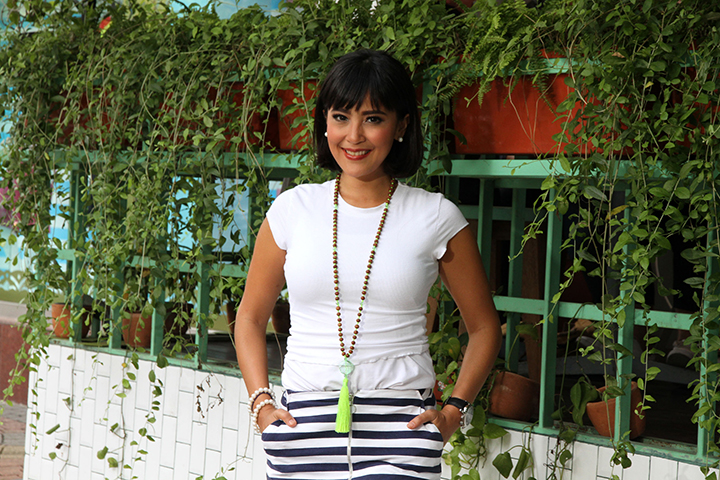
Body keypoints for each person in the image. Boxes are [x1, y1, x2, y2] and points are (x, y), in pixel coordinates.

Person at [235, 49, 501, 480]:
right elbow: (249, 317)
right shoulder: (292, 209)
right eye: (341, 117)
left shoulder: (436, 216)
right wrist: (262, 404)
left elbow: (485, 327)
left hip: (402, 426)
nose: (354, 136)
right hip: (303, 425)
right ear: (324, 122)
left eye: (373, 118)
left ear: (402, 125)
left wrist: (454, 411)